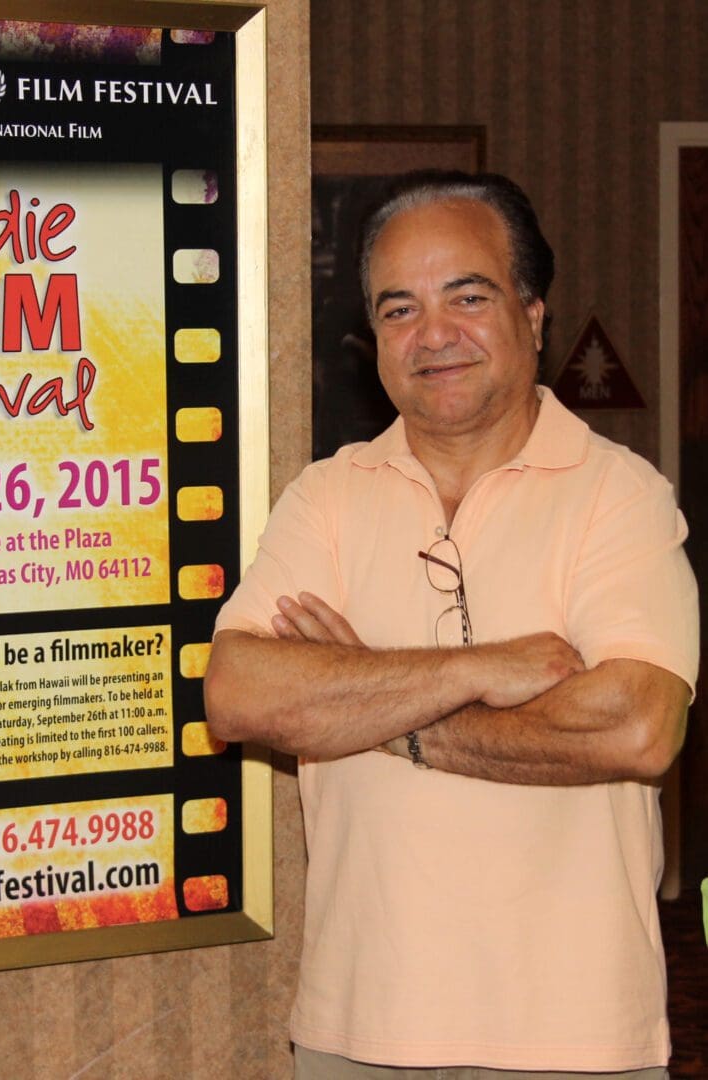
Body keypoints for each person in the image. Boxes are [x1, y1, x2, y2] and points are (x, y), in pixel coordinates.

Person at [205, 170, 698, 1079]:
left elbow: (635, 726)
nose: (432, 335)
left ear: (534, 314)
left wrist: (370, 703)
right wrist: (482, 666)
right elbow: (238, 695)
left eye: (466, 297)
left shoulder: (617, 496)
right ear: (372, 339)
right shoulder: (326, 497)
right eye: (399, 310)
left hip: (576, 1035)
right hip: (358, 1029)